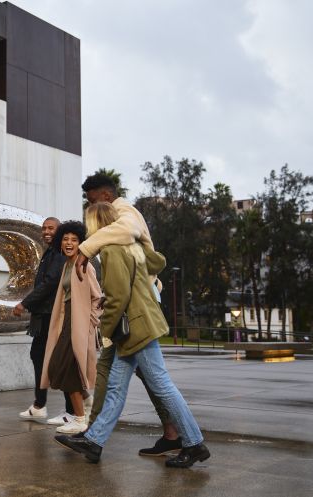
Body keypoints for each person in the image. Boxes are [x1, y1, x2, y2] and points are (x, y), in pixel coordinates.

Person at [56, 203, 210, 468]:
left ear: (96, 225)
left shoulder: (113, 250)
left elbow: (119, 298)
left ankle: (194, 443)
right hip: (138, 325)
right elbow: (140, 277)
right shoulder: (132, 246)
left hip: (136, 328)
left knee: (161, 385)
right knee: (116, 387)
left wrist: (105, 331)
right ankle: (94, 441)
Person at [78, 173, 182, 457]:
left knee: (150, 377)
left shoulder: (125, 211)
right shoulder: (119, 215)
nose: (90, 207)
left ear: (106, 197)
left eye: (92, 200)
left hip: (137, 304)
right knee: (118, 372)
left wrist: (85, 250)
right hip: (136, 302)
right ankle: (94, 435)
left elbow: (126, 233)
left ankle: (184, 436)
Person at [40, 221, 103, 434]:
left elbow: (98, 298)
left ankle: (80, 418)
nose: (69, 243)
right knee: (58, 366)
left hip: (79, 323)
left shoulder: (83, 264)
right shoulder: (68, 264)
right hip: (67, 321)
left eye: (74, 240)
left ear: (81, 243)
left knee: (66, 367)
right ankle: (86, 401)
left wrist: (90, 323)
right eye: (65, 239)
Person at [14, 217, 77, 423]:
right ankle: (41, 404)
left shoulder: (58, 254)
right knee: (42, 357)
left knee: (57, 360)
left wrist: (25, 303)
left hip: (51, 315)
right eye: (44, 228)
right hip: (45, 314)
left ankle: (70, 409)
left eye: (51, 228)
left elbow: (50, 283)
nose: (46, 231)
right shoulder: (51, 252)